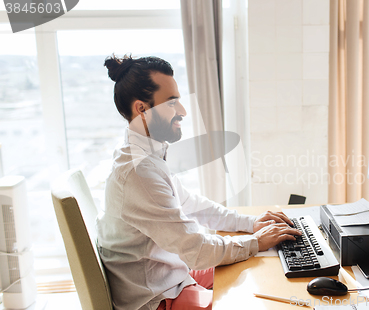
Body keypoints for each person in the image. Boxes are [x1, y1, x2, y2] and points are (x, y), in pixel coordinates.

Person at [97, 54, 301, 310]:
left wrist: (251, 223)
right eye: (172, 103)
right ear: (142, 109)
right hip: (159, 298)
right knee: (258, 296)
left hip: (172, 277)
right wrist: (256, 240)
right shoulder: (139, 173)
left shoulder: (143, 153)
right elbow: (197, 250)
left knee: (259, 266)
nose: (182, 111)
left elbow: (190, 203)